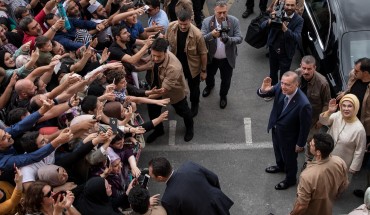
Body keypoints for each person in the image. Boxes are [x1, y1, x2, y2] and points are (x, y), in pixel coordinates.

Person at [257, 71, 312, 190]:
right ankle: (280, 166)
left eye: (287, 84)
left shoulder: (304, 104)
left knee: (290, 159)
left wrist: (300, 143)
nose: (283, 87)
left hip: (290, 137)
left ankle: (290, 179)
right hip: (276, 129)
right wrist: (263, 89)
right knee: (277, 150)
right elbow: (263, 93)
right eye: (282, 83)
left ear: (296, 84)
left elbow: (305, 126)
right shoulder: (280, 87)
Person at [146, 38, 194, 143]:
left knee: (184, 111)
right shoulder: (155, 53)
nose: (155, 58)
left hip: (174, 92)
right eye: (153, 55)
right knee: (153, 111)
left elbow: (164, 90)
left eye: (158, 56)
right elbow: (148, 63)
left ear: (166, 51)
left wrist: (145, 98)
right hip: (156, 86)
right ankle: (158, 131)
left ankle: (190, 129)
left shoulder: (173, 67)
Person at [148, 157, 234, 215]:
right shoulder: (189, 166)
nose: (150, 176)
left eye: (151, 175)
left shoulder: (168, 199)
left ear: (160, 177)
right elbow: (214, 178)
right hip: (217, 204)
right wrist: (213, 193)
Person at [290, 133, 349, 215]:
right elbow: (344, 184)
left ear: (318, 152)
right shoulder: (339, 162)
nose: (310, 143)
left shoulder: (307, 176)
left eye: (312, 144)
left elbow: (301, 206)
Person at [165, 8, 208, 117]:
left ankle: (195, 104)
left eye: (185, 24)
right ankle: (180, 103)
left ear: (191, 20)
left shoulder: (198, 34)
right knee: (178, 86)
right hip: (176, 65)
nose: (183, 27)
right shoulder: (171, 27)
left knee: (194, 88)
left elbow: (203, 53)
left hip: (192, 67)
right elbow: (166, 42)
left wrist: (203, 71)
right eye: (181, 24)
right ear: (177, 20)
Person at [201, 0, 242, 109]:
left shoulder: (234, 21)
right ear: (214, 11)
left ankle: (223, 96)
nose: (222, 15)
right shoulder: (206, 22)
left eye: (224, 12)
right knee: (209, 76)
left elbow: (239, 38)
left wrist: (228, 39)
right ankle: (210, 86)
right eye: (219, 13)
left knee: (226, 79)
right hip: (211, 58)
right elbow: (201, 38)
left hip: (227, 58)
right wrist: (212, 35)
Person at [319, 94, 367, 174]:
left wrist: (353, 168)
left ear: (355, 107)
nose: (346, 109)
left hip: (342, 165)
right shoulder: (338, 115)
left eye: (349, 106)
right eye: (343, 105)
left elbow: (360, 150)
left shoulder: (359, 129)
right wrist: (329, 111)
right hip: (325, 157)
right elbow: (323, 122)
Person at [260, 0, 303, 87]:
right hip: (273, 49)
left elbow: (297, 38)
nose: (289, 7)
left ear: (296, 6)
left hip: (286, 53)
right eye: (287, 5)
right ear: (284, 5)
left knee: (284, 75)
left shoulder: (299, 20)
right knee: (273, 72)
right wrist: (270, 21)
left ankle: (282, 91)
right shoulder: (277, 13)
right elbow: (262, 26)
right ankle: (272, 89)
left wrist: (285, 29)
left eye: (292, 5)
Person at [297, 55, 331, 162]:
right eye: (304, 68)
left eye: (309, 69)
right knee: (298, 132)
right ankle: (300, 143)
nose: (306, 71)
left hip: (313, 119)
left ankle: (308, 161)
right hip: (298, 114)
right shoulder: (296, 74)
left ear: (315, 68)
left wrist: (321, 121)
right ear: (300, 66)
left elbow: (327, 103)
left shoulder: (322, 83)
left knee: (310, 141)